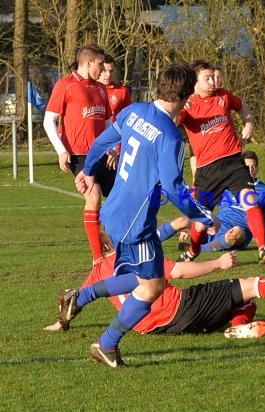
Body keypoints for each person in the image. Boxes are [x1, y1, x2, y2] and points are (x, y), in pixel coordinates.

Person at [67, 62, 216, 368]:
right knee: (153, 286)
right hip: (136, 225)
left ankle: (78, 298)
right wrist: (203, 215)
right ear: (186, 96)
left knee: (140, 275)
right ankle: (107, 344)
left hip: (112, 213)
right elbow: (174, 190)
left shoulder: (133, 111)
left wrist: (89, 171)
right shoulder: (170, 137)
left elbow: (101, 143)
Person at [44, 252, 265, 338]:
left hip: (158, 327)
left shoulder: (98, 270)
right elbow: (180, 272)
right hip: (181, 307)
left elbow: (78, 299)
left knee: (244, 300)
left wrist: (62, 323)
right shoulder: (140, 255)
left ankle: (236, 327)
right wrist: (218, 263)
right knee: (251, 284)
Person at [177, 60, 265, 264]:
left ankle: (263, 248)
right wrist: (179, 107)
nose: (213, 81)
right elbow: (172, 122)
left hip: (233, 163)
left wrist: (248, 122)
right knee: (202, 223)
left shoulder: (224, 96)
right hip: (208, 170)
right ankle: (193, 251)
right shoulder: (187, 104)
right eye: (208, 78)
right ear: (195, 81)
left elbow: (243, 108)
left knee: (250, 201)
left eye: (213, 76)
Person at [43, 44, 114, 265]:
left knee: (118, 198)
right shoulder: (65, 85)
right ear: (88, 62)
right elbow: (49, 120)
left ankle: (108, 239)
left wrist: (113, 147)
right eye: (100, 64)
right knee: (93, 196)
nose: (103, 69)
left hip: (103, 153)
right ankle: (97, 258)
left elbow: (108, 121)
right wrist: (61, 151)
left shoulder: (101, 89)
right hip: (79, 154)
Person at [160, 150, 265, 252]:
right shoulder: (229, 182)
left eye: (253, 166)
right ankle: (148, 240)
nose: (250, 170)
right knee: (182, 221)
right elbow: (203, 205)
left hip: (238, 234)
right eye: (247, 166)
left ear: (257, 168)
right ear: (241, 167)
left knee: (237, 232)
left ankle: (200, 249)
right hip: (217, 226)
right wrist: (190, 226)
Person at [98, 53, 132, 121]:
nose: (108, 75)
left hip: (112, 130)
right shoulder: (88, 89)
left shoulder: (122, 91)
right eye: (104, 71)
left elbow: (129, 116)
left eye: (111, 71)